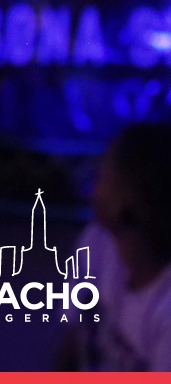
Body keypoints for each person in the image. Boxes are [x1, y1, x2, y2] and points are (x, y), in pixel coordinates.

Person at [64, 123, 171, 370]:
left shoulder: (165, 311)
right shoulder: (96, 243)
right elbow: (74, 339)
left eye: (103, 177)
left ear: (128, 201)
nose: (92, 190)